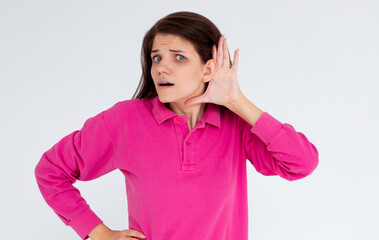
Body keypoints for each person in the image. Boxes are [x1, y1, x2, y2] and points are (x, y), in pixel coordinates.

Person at [34, 11, 319, 240]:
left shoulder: (236, 125)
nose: (161, 68)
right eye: (156, 57)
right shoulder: (124, 121)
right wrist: (99, 233)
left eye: (178, 57)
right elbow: (51, 170)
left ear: (208, 69)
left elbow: (301, 163)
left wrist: (237, 100)